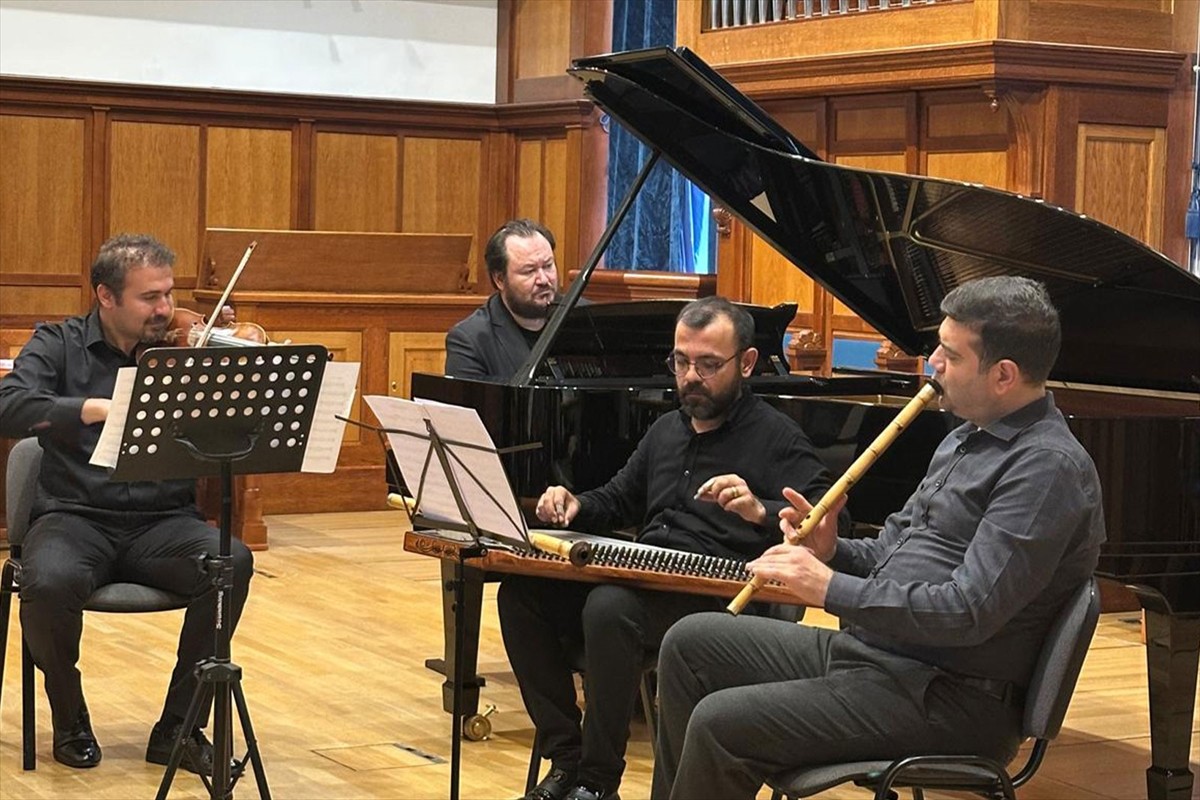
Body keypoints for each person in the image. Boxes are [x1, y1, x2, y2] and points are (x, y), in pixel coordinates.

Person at [650, 276, 1106, 800]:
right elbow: (893, 551)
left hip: (949, 697)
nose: (933, 362)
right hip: (878, 659)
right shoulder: (964, 437)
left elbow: (966, 610)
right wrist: (831, 551)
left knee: (721, 721)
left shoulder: (1046, 469)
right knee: (691, 643)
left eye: (951, 355)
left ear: (1003, 375)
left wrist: (826, 588)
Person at [505, 296, 841, 800]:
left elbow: (830, 518)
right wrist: (574, 503)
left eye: (708, 365)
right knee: (520, 595)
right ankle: (567, 757)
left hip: (716, 599)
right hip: (648, 578)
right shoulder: (666, 430)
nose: (690, 377)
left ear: (746, 364)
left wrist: (761, 510)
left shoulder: (776, 437)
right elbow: (618, 497)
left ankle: (598, 784)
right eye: (681, 361)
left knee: (609, 605)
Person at [0, 233, 254, 773]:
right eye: (149, 298)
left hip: (164, 522)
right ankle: (69, 718)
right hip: (75, 516)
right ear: (106, 297)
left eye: (168, 294)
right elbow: (10, 406)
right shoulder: (58, 343)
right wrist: (92, 407)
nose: (165, 310)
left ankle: (179, 730)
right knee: (47, 582)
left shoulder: (184, 349)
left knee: (231, 561)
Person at [444, 218, 562, 380]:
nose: (543, 279)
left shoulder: (589, 318)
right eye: (529, 271)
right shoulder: (470, 341)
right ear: (500, 279)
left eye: (548, 266)